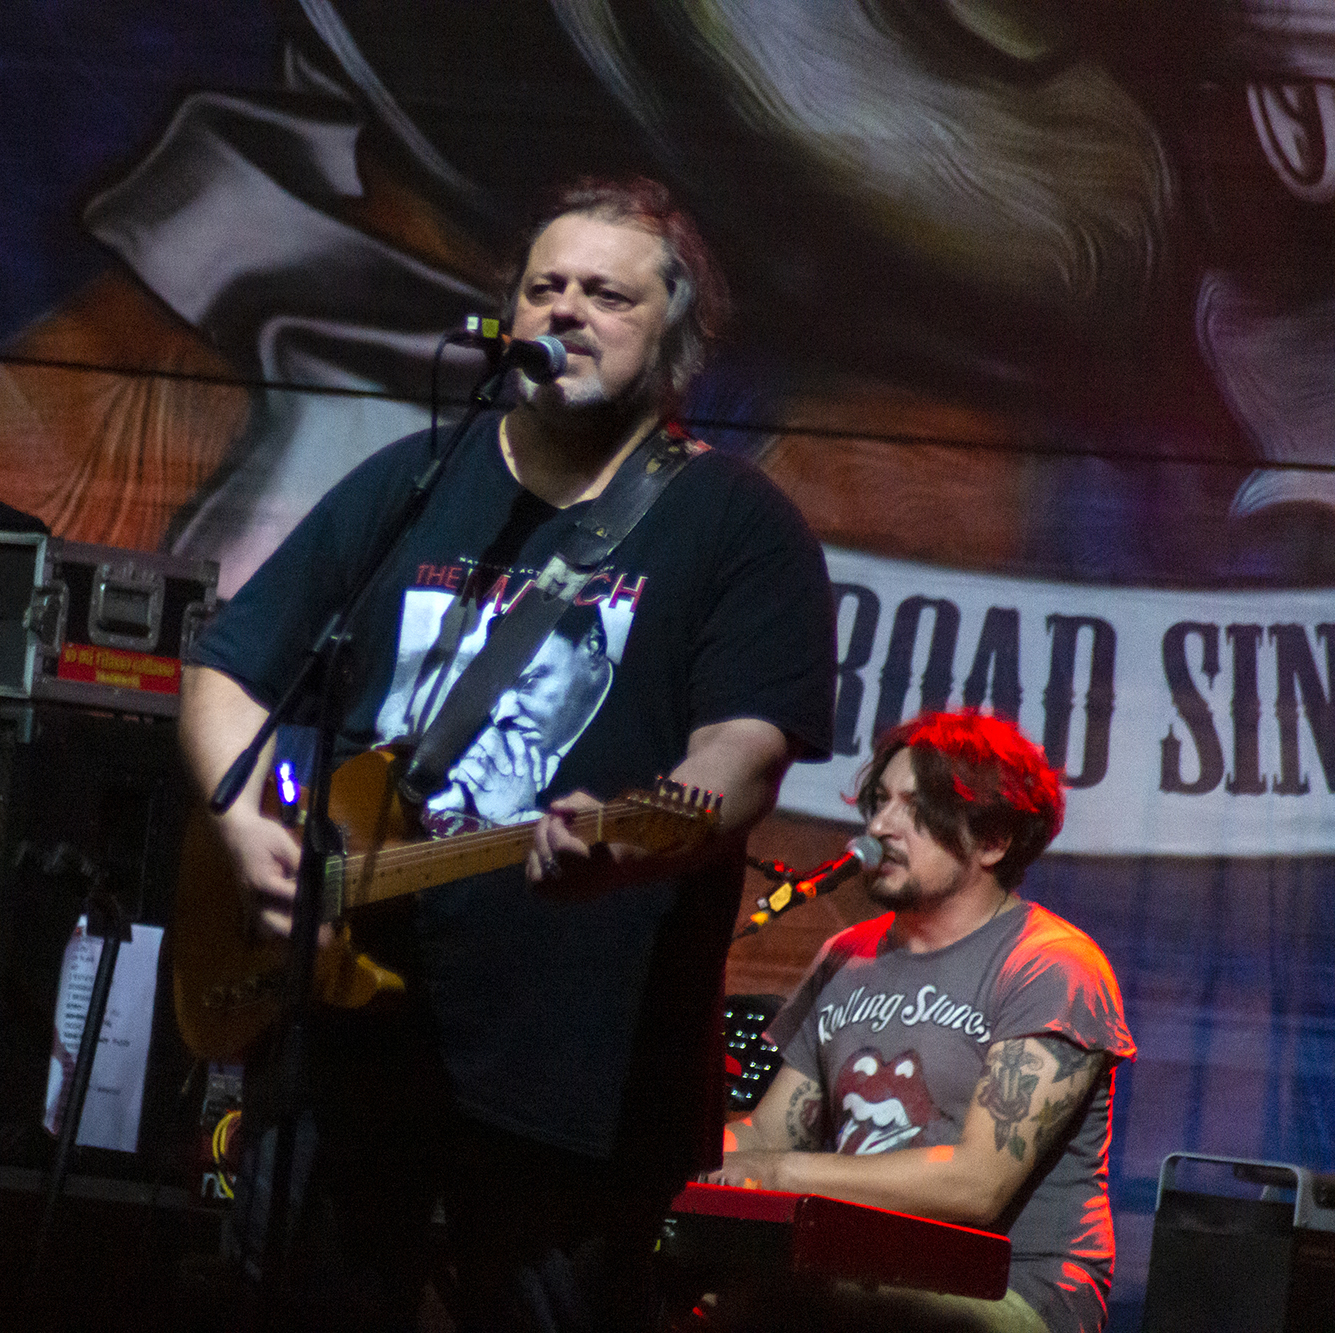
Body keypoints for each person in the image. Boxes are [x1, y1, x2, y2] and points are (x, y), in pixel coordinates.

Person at [178, 175, 836, 1331]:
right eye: (544, 287)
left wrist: (632, 843)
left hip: (571, 1072)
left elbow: (742, 749)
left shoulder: (734, 525)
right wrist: (243, 825)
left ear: (676, 339)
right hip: (346, 1048)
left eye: (607, 295)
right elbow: (228, 669)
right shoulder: (413, 481)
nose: (565, 309)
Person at [711, 710, 1135, 1333]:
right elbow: (771, 1134)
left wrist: (774, 1174)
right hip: (858, 1268)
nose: (880, 826)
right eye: (880, 801)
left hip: (1010, 1293)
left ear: (993, 840)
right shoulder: (847, 955)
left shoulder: (1052, 965)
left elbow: (975, 1185)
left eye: (915, 808)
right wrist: (672, 1160)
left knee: (782, 1307)